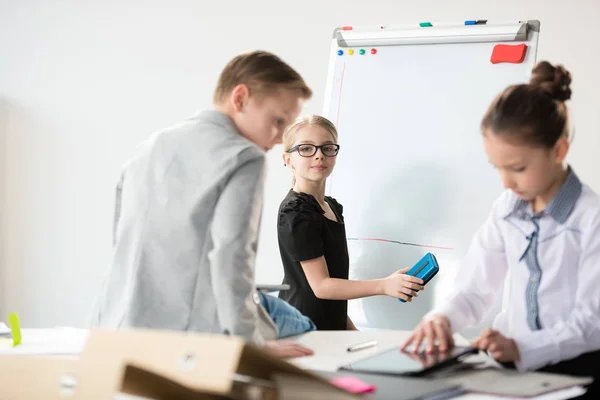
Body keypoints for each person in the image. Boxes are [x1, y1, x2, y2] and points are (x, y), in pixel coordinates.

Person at [91, 50, 314, 358]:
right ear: (240, 98)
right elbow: (232, 257)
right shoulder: (243, 157)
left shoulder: (149, 145)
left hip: (113, 329)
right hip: (185, 345)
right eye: (277, 121)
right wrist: (251, 345)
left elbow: (121, 240)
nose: (279, 139)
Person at [402, 61, 600, 398]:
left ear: (559, 151)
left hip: (577, 372)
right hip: (515, 369)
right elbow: (474, 290)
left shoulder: (590, 219)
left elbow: (592, 324)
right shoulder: (507, 209)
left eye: (518, 168)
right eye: (498, 168)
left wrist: (522, 347)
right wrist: (443, 319)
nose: (506, 182)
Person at [278, 114, 425, 330]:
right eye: (306, 148)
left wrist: (348, 329)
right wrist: (384, 285)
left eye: (327, 148)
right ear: (288, 159)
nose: (319, 156)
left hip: (328, 328)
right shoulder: (296, 212)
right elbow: (322, 287)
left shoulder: (331, 207)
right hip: (303, 330)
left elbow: (333, 287)